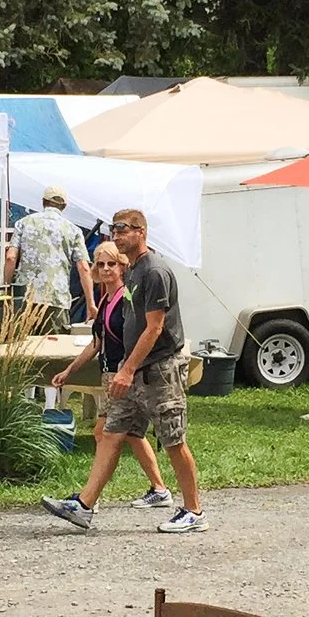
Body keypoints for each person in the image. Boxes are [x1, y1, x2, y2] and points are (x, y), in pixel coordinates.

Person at [40, 208, 203, 532]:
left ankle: (194, 512)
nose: (115, 234)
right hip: (131, 372)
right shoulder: (134, 272)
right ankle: (84, 506)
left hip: (158, 370)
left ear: (141, 232)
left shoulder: (155, 272)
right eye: (113, 229)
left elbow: (154, 328)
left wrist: (126, 370)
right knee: (111, 434)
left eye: (122, 229)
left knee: (173, 440)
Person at [48, 242, 174, 510]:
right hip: (110, 373)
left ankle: (88, 500)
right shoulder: (104, 299)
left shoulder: (127, 297)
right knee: (126, 433)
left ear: (122, 266)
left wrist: (128, 369)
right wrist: (70, 370)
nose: (105, 270)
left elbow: (148, 329)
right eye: (101, 264)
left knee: (110, 433)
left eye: (111, 264)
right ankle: (157, 489)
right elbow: (96, 342)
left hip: (123, 374)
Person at [5, 186, 92, 324]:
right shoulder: (73, 230)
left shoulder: (23, 223)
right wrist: (90, 303)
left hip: (25, 297)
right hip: (56, 299)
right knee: (54, 343)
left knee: (23, 344)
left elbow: (10, 257)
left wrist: (6, 287)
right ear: (64, 206)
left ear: (43, 201)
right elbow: (84, 268)